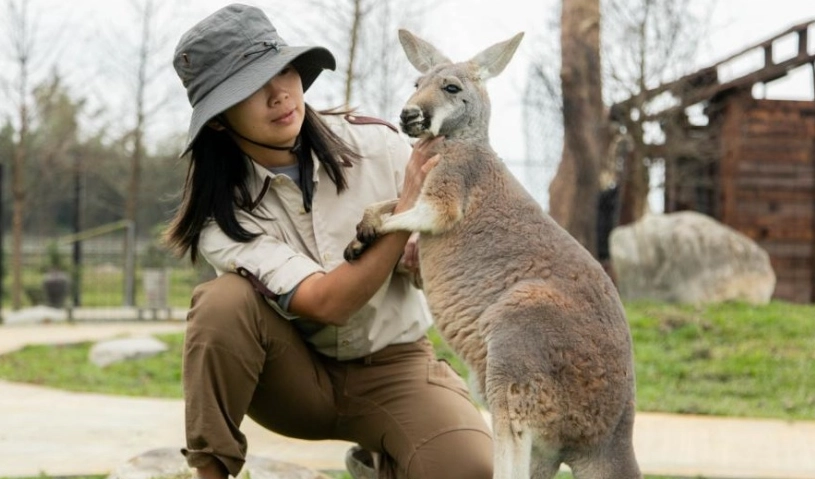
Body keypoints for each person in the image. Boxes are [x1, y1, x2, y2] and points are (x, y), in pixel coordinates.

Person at [165, 4, 493, 479]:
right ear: (217, 119)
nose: (278, 93)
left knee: (470, 470)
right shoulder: (221, 216)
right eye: (251, 86)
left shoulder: (380, 147)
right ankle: (211, 472)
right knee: (221, 302)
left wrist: (427, 253)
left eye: (283, 70)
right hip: (294, 380)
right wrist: (401, 214)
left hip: (396, 366)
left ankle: (383, 458)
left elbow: (456, 255)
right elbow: (327, 303)